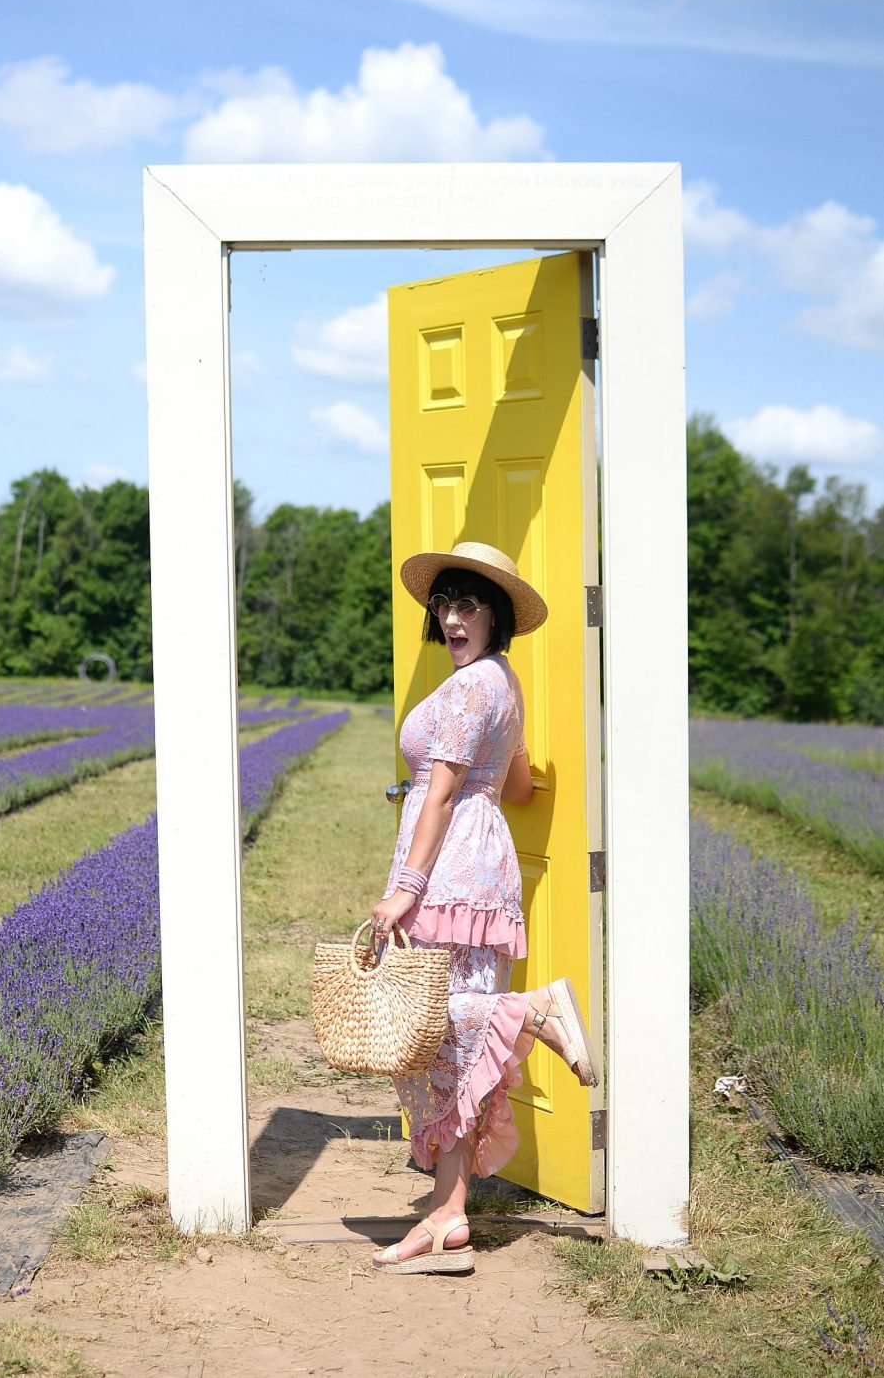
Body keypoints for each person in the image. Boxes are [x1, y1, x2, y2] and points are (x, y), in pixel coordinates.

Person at [370, 541, 600, 1276]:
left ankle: (534, 1013)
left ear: (497, 615)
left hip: (451, 871)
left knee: (439, 1025)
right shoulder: (495, 684)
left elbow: (442, 790)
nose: (451, 617)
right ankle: (448, 1214)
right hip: (472, 857)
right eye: (443, 604)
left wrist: (405, 883)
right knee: (448, 1052)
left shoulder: (473, 688)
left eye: (468, 603)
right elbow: (519, 787)